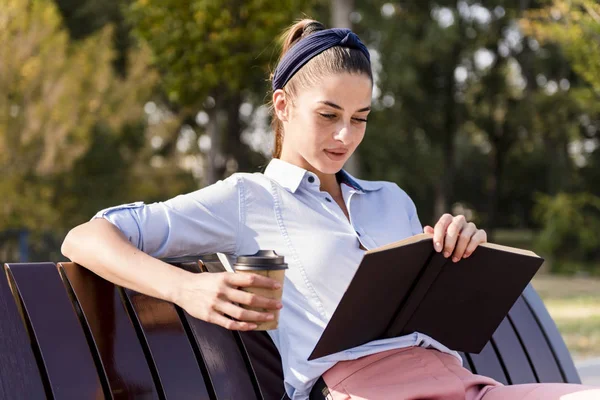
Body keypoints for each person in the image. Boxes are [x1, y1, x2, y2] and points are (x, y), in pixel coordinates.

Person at [61, 19, 599, 400]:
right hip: (357, 391)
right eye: (329, 114)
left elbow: (430, 319)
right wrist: (189, 289)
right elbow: (85, 237)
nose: (345, 136)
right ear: (283, 104)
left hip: (459, 383)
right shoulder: (246, 199)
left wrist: (459, 253)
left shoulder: (391, 200)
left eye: (361, 118)